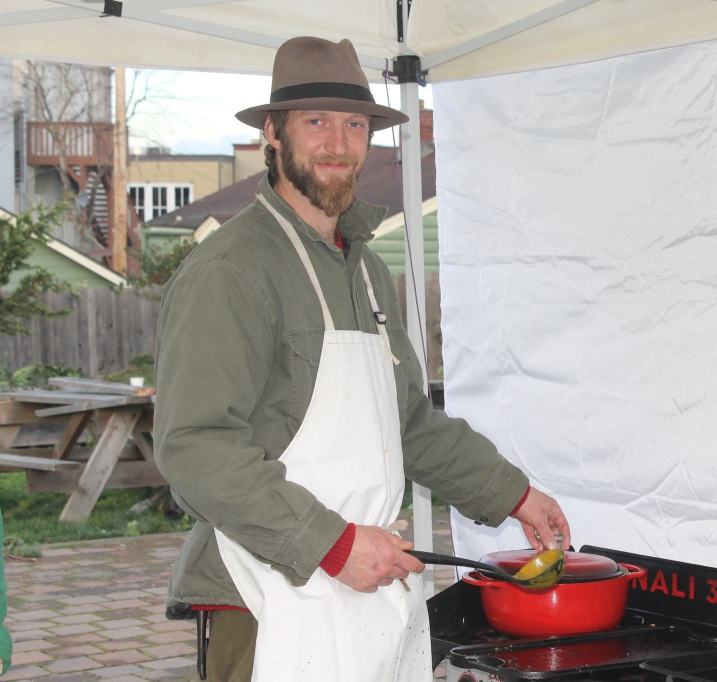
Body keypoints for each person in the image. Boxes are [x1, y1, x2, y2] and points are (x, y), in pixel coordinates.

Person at [153, 36, 571, 682]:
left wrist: (513, 493)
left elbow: (408, 426)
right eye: (315, 122)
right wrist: (332, 544)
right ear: (272, 133)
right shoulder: (230, 272)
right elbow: (194, 449)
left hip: (361, 595)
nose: (338, 144)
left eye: (355, 125)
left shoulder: (368, 271)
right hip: (262, 602)